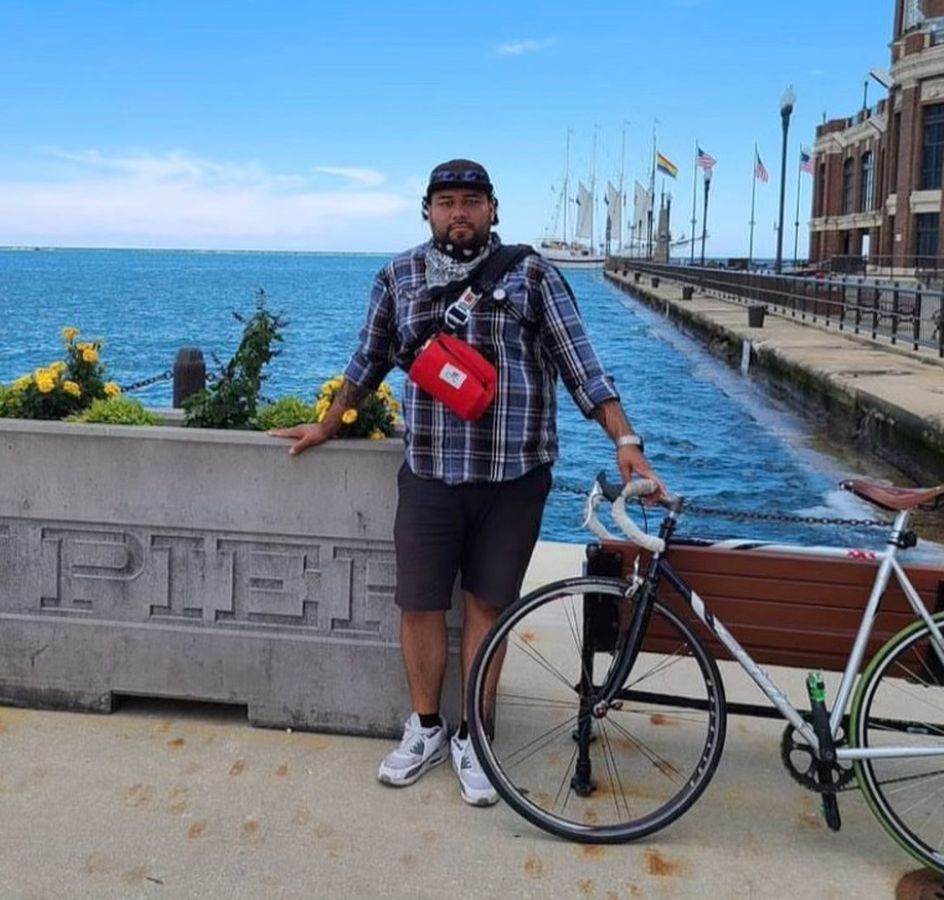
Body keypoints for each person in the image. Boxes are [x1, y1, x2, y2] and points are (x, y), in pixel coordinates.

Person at [271, 159, 664, 807]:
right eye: (447, 201)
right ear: (427, 210)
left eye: (472, 201)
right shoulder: (398, 277)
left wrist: (625, 440)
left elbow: (583, 367)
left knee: (489, 606)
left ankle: (474, 736)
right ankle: (426, 727)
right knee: (420, 604)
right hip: (430, 473)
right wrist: (328, 424)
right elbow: (367, 360)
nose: (460, 212)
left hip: (514, 477)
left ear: (493, 209)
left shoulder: (533, 275)